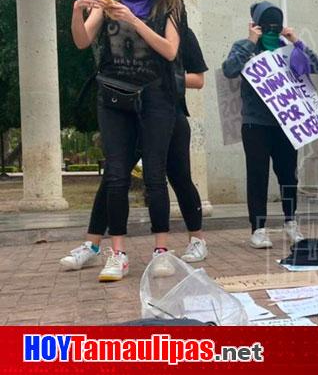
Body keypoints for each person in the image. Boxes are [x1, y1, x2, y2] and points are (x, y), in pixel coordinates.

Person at [68, 0, 188, 282]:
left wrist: (134, 21)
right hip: (113, 94)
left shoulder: (169, 1)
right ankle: (116, 253)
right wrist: (80, 10)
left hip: (156, 95)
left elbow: (169, 50)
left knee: (154, 174)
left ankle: (161, 250)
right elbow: (81, 40)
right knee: (117, 175)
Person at [60, 21, 210, 272]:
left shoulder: (180, 31)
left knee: (179, 176)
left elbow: (198, 79)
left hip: (167, 114)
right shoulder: (123, 28)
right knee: (113, 177)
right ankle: (92, 245)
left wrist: (161, 78)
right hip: (127, 112)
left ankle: (197, 238)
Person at [222, 2, 318, 249]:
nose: (271, 28)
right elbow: (229, 70)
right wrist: (249, 42)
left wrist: (296, 41)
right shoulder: (244, 47)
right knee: (257, 175)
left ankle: (291, 222)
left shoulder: (287, 49)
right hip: (255, 123)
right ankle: (258, 227)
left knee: (288, 174)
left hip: (287, 123)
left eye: (275, 23)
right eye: (265, 22)